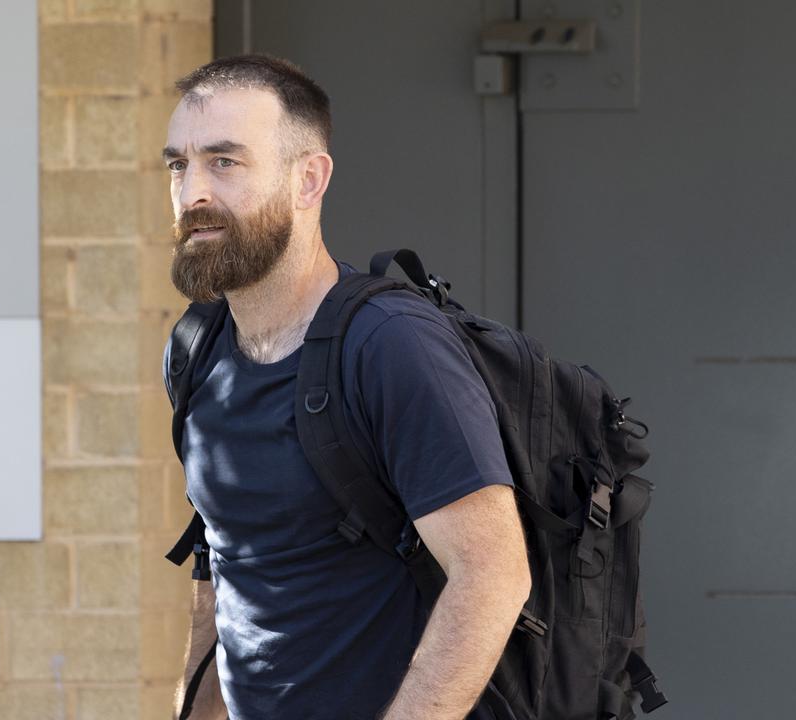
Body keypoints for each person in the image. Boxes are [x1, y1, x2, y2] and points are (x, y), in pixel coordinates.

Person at [162, 54, 531, 720]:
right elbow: (221, 566)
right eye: (178, 166)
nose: (193, 194)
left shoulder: (390, 345)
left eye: (224, 162)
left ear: (309, 179)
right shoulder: (195, 351)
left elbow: (494, 577)